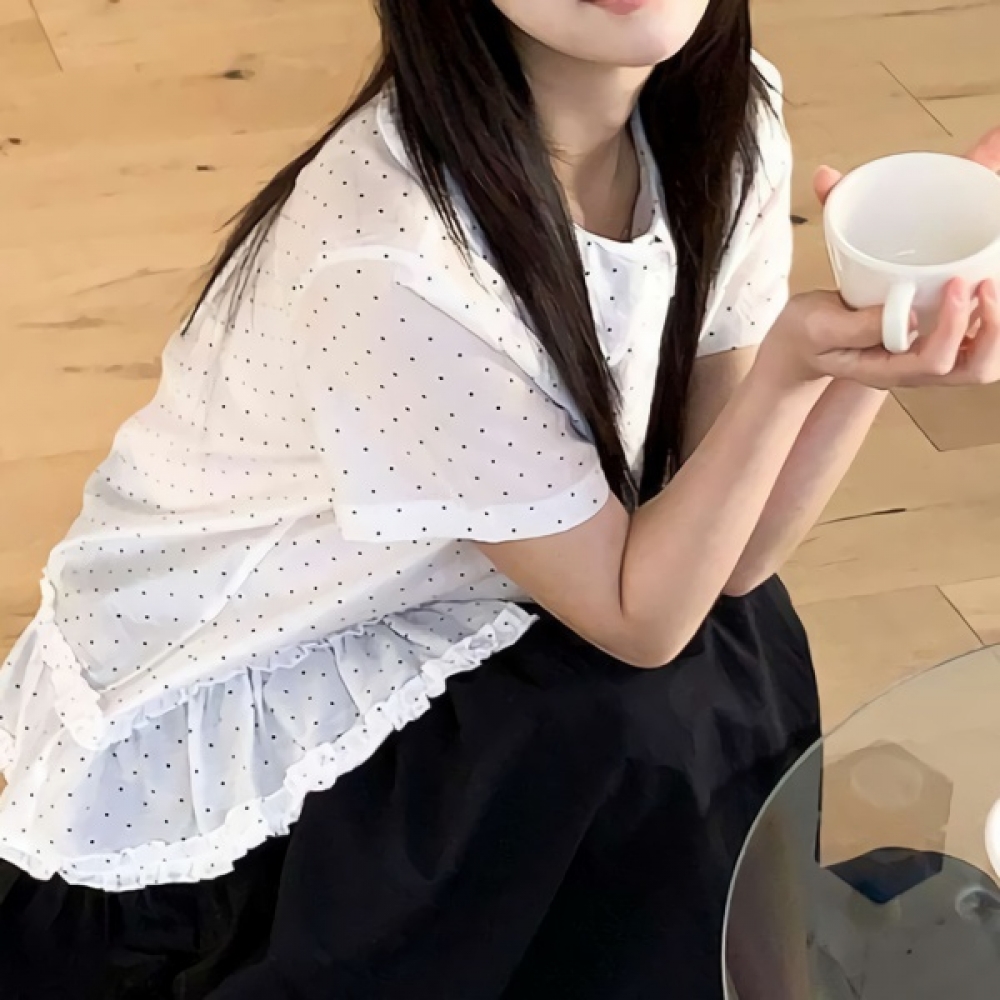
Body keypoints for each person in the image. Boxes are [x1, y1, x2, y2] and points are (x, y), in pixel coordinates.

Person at [0, 0, 997, 997]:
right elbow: (640, 620)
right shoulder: (387, 255)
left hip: (469, 583)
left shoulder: (725, 118)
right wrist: (793, 365)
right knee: (652, 712)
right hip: (263, 686)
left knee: (736, 642)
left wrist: (884, 339)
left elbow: (736, 556)